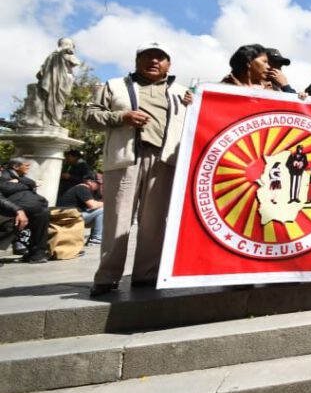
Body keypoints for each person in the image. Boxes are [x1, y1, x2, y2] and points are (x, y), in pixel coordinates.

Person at [84, 42, 192, 296]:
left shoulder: (182, 91)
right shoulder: (114, 85)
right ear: (136, 60)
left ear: (169, 63)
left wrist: (194, 106)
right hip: (126, 158)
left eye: (160, 58)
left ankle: (147, 275)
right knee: (117, 219)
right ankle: (107, 277)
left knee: (155, 222)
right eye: (147, 57)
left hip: (165, 161)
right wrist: (121, 117)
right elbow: (89, 115)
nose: (153, 62)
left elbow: (196, 124)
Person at [0, 157, 51, 263]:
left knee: (43, 214)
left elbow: (32, 183)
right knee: (12, 222)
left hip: (30, 208)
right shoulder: (4, 175)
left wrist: (18, 182)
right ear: (15, 166)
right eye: (26, 165)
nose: (28, 167)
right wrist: (18, 210)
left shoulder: (18, 176)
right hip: (9, 210)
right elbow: (5, 188)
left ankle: (37, 254)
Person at [21, 37, 80, 127]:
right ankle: (52, 120)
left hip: (64, 81)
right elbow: (43, 71)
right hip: (55, 82)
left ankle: (53, 119)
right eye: (67, 44)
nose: (70, 47)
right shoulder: (55, 55)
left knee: (59, 101)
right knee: (54, 100)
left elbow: (75, 62)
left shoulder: (61, 55)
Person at [57, 175, 103, 245]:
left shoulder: (86, 190)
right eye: (98, 183)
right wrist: (107, 203)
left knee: (100, 212)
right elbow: (93, 205)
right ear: (89, 182)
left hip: (72, 215)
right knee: (103, 210)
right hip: (69, 217)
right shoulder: (82, 188)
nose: (99, 186)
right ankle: (97, 239)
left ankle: (92, 239)